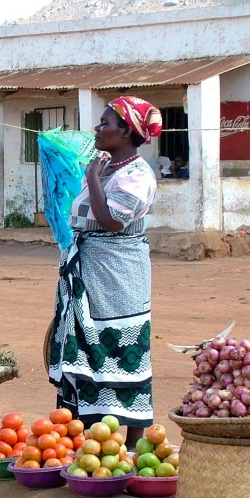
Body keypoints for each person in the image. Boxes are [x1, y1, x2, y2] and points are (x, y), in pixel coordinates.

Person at [47, 96, 162, 448]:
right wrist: (96, 174)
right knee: (82, 348)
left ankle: (130, 446)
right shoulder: (108, 167)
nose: (97, 129)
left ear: (127, 131)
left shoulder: (137, 174)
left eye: (106, 124)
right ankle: (81, 438)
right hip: (87, 267)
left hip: (118, 274)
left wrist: (93, 177)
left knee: (121, 348)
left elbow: (112, 221)